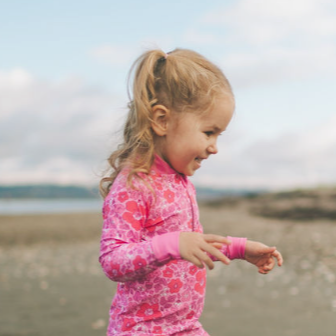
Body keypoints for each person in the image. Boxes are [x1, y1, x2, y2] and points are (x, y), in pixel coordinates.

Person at [99, 48, 283, 336]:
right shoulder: (133, 185)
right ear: (162, 120)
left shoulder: (179, 182)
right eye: (209, 132)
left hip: (184, 326)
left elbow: (194, 243)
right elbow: (113, 261)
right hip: (141, 330)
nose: (214, 146)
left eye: (219, 135)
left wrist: (238, 248)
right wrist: (171, 244)